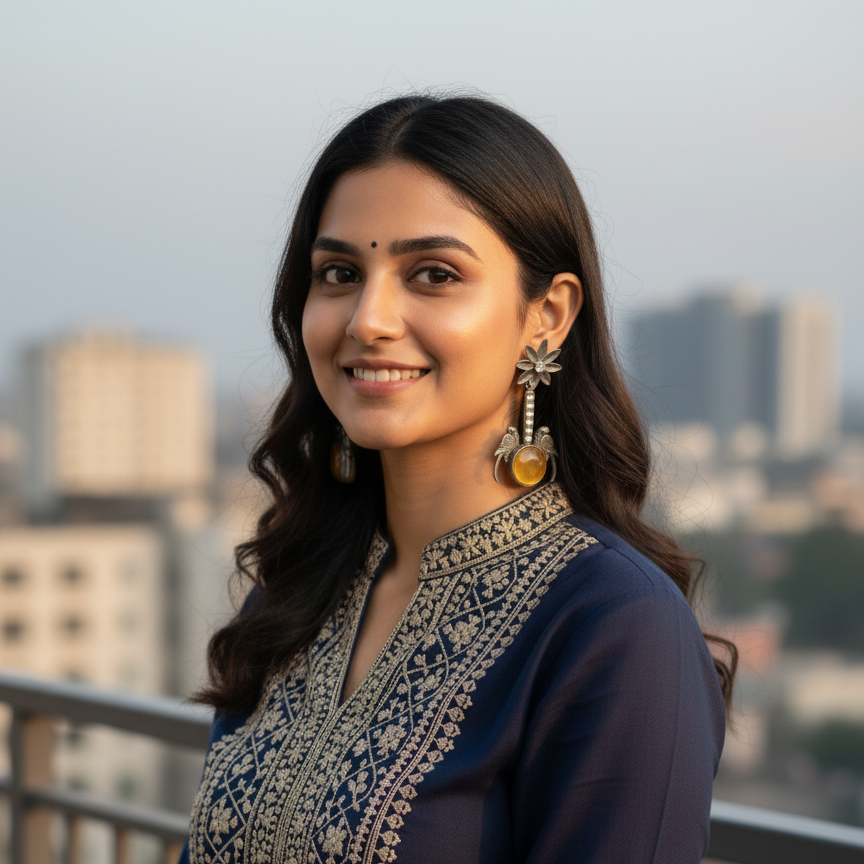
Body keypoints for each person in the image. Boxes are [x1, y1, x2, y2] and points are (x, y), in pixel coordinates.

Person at [179, 94, 736, 864]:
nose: (368, 318)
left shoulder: (616, 626)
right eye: (339, 271)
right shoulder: (296, 589)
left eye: (433, 274)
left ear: (547, 315)